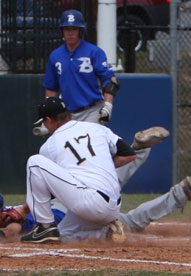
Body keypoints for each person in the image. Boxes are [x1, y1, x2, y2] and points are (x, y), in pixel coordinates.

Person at [38, 9, 169, 188]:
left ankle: (104, 183)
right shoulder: (56, 56)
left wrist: (108, 105)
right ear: (62, 31)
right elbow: (51, 88)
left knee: (94, 154)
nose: (70, 33)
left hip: (91, 110)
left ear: (80, 31)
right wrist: (49, 116)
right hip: (65, 116)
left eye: (73, 29)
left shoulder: (93, 52)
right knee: (64, 154)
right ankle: (80, 190)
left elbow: (110, 81)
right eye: (66, 29)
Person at [0, 177, 191, 245]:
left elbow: (5, 236)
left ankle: (178, 194)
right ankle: (137, 151)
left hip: (72, 218)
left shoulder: (9, 223)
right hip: (63, 209)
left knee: (128, 224)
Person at [20, 97, 136, 243]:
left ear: (48, 120)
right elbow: (129, 155)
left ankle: (45, 227)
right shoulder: (97, 128)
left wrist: (24, 209)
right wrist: (100, 165)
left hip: (88, 202)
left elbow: (47, 190)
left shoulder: (49, 145)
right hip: (113, 206)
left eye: (43, 121)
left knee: (34, 162)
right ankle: (106, 232)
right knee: (61, 237)